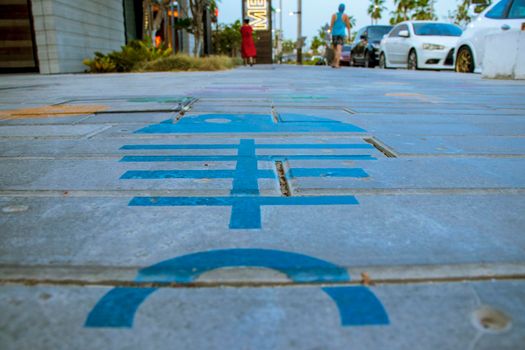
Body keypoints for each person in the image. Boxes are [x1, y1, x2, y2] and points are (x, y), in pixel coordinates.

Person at [329, 3, 352, 68]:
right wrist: (349, 35)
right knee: (339, 49)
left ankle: (335, 63)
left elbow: (331, 25)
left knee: (335, 49)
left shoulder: (334, 15)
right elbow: (348, 26)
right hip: (341, 34)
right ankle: (336, 64)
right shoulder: (345, 16)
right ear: (344, 9)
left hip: (334, 34)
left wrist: (329, 34)